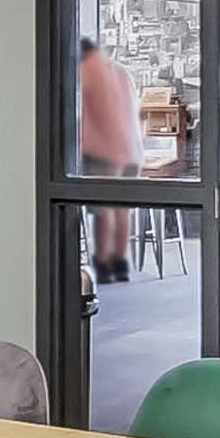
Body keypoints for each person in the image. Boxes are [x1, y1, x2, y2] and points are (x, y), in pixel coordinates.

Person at [76, 34, 140, 280]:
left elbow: (80, 111)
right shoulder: (120, 71)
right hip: (131, 149)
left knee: (103, 209)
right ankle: (120, 262)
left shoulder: (85, 71)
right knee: (122, 208)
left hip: (104, 149)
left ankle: (102, 263)